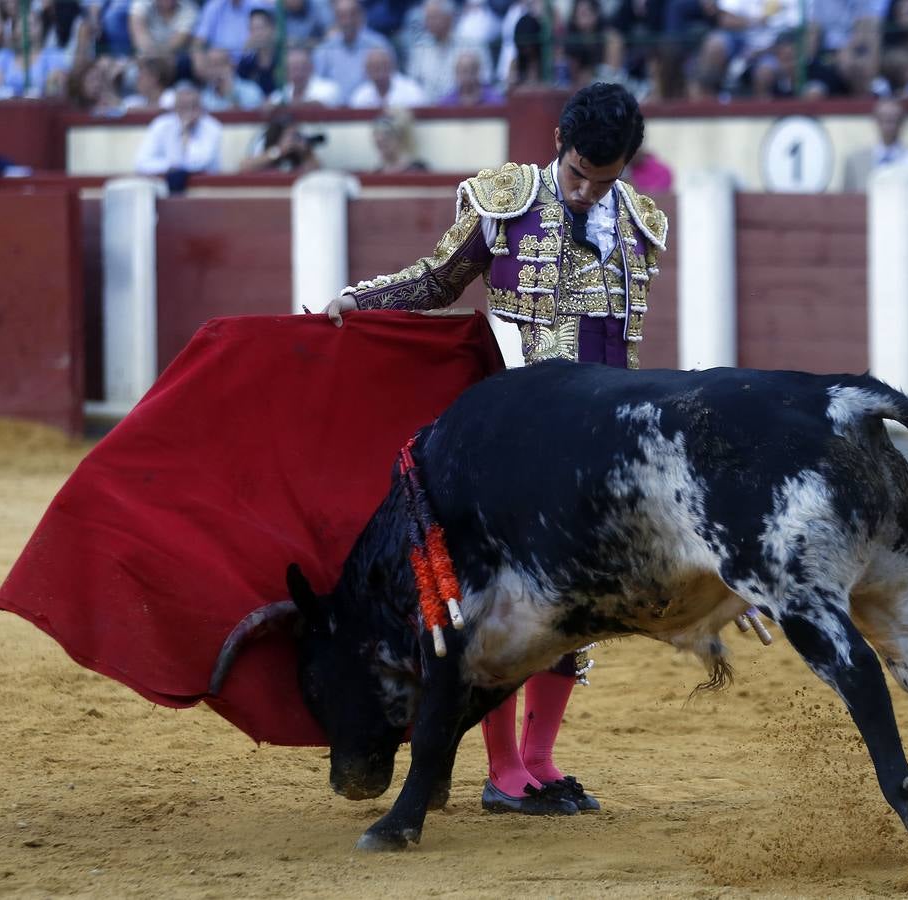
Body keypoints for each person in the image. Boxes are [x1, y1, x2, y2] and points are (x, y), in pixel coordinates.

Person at [325, 82, 669, 815]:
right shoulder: (505, 200)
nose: (582, 192)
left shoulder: (639, 223)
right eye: (576, 173)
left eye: (600, 181)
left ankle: (540, 760)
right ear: (558, 147)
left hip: (600, 442)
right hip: (513, 444)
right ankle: (504, 769)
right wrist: (364, 300)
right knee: (506, 604)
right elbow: (437, 279)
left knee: (576, 602)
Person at [133, 80, 222, 190]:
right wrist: (171, 166)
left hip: (205, 189)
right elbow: (141, 163)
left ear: (202, 107)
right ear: (174, 107)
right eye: (183, 106)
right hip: (165, 188)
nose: (189, 112)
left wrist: (185, 133)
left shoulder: (212, 127)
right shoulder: (161, 125)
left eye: (194, 106)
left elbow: (199, 163)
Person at [842, 98, 907, 192]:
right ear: (875, 120)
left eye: (894, 120)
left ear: (902, 122)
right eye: (884, 119)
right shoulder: (855, 161)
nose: (889, 126)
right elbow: (846, 200)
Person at [238, 108, 325, 173]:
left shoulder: (300, 142)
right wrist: (278, 151)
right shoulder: (266, 139)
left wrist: (305, 153)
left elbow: (316, 171)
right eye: (288, 134)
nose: (292, 138)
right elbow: (244, 167)